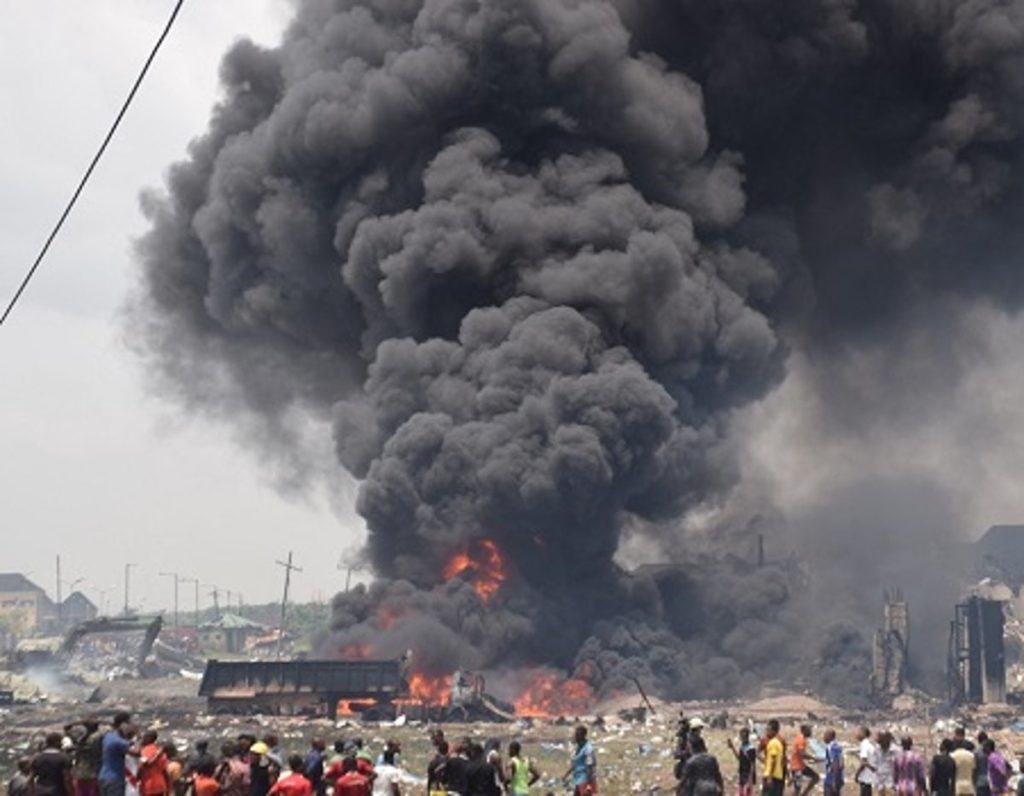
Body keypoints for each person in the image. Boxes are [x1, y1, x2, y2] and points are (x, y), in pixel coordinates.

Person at [99, 714, 138, 796]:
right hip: (115, 779)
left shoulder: (108, 737)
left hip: (103, 776)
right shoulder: (119, 742)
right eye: (128, 723)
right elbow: (136, 753)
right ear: (122, 724)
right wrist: (138, 735)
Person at [66, 718, 104, 796]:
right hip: (93, 772)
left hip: (79, 773)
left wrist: (78, 722)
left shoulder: (80, 740)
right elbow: (113, 729)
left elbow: (66, 728)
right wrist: (102, 721)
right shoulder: (97, 738)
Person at [563, 726, 597, 796]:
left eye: (576, 735)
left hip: (585, 782)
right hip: (579, 781)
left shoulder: (588, 749)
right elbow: (576, 763)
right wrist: (567, 774)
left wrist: (589, 785)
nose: (575, 737)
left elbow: (590, 767)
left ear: (581, 736)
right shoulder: (579, 747)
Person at [727, 728, 757, 796]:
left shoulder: (751, 749)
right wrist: (732, 747)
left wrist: (750, 780)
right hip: (742, 774)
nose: (741, 738)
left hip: (748, 775)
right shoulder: (742, 747)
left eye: (743, 737)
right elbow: (739, 759)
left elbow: (752, 765)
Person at [791, 725, 820, 796]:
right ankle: (804, 794)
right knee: (797, 788)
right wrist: (813, 758)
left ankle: (804, 794)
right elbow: (802, 753)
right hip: (797, 767)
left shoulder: (801, 738)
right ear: (804, 731)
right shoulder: (801, 740)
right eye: (809, 730)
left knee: (815, 777)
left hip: (800, 766)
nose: (811, 732)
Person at [138, 732, 169, 796]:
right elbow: (165, 771)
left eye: (144, 737)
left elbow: (142, 767)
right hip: (160, 786)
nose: (142, 739)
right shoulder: (160, 751)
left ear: (148, 738)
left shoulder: (144, 751)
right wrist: (168, 787)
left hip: (148, 786)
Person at [764, 721, 786, 796]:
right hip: (778, 776)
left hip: (772, 776)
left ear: (774, 731)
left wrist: (769, 777)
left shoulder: (772, 743)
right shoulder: (778, 743)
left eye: (768, 730)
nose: (766, 732)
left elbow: (773, 760)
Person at [857, 727, 879, 796]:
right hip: (869, 779)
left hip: (865, 779)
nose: (856, 734)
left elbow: (863, 762)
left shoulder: (864, 745)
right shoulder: (869, 744)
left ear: (863, 734)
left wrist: (857, 774)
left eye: (858, 732)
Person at [822, 730, 843, 796]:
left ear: (830, 736)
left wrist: (834, 780)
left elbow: (835, 762)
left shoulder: (832, 747)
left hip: (831, 778)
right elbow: (842, 763)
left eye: (825, 735)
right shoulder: (837, 746)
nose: (823, 737)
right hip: (838, 777)